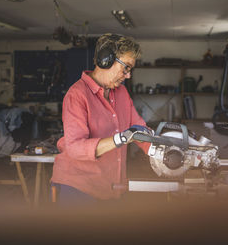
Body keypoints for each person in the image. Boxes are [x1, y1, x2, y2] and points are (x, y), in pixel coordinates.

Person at [51, 33, 153, 204]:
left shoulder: (121, 92)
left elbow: (138, 128)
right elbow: (75, 148)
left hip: (111, 187)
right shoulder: (77, 95)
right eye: (126, 68)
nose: (128, 75)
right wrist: (121, 139)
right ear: (106, 60)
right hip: (78, 188)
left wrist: (161, 151)